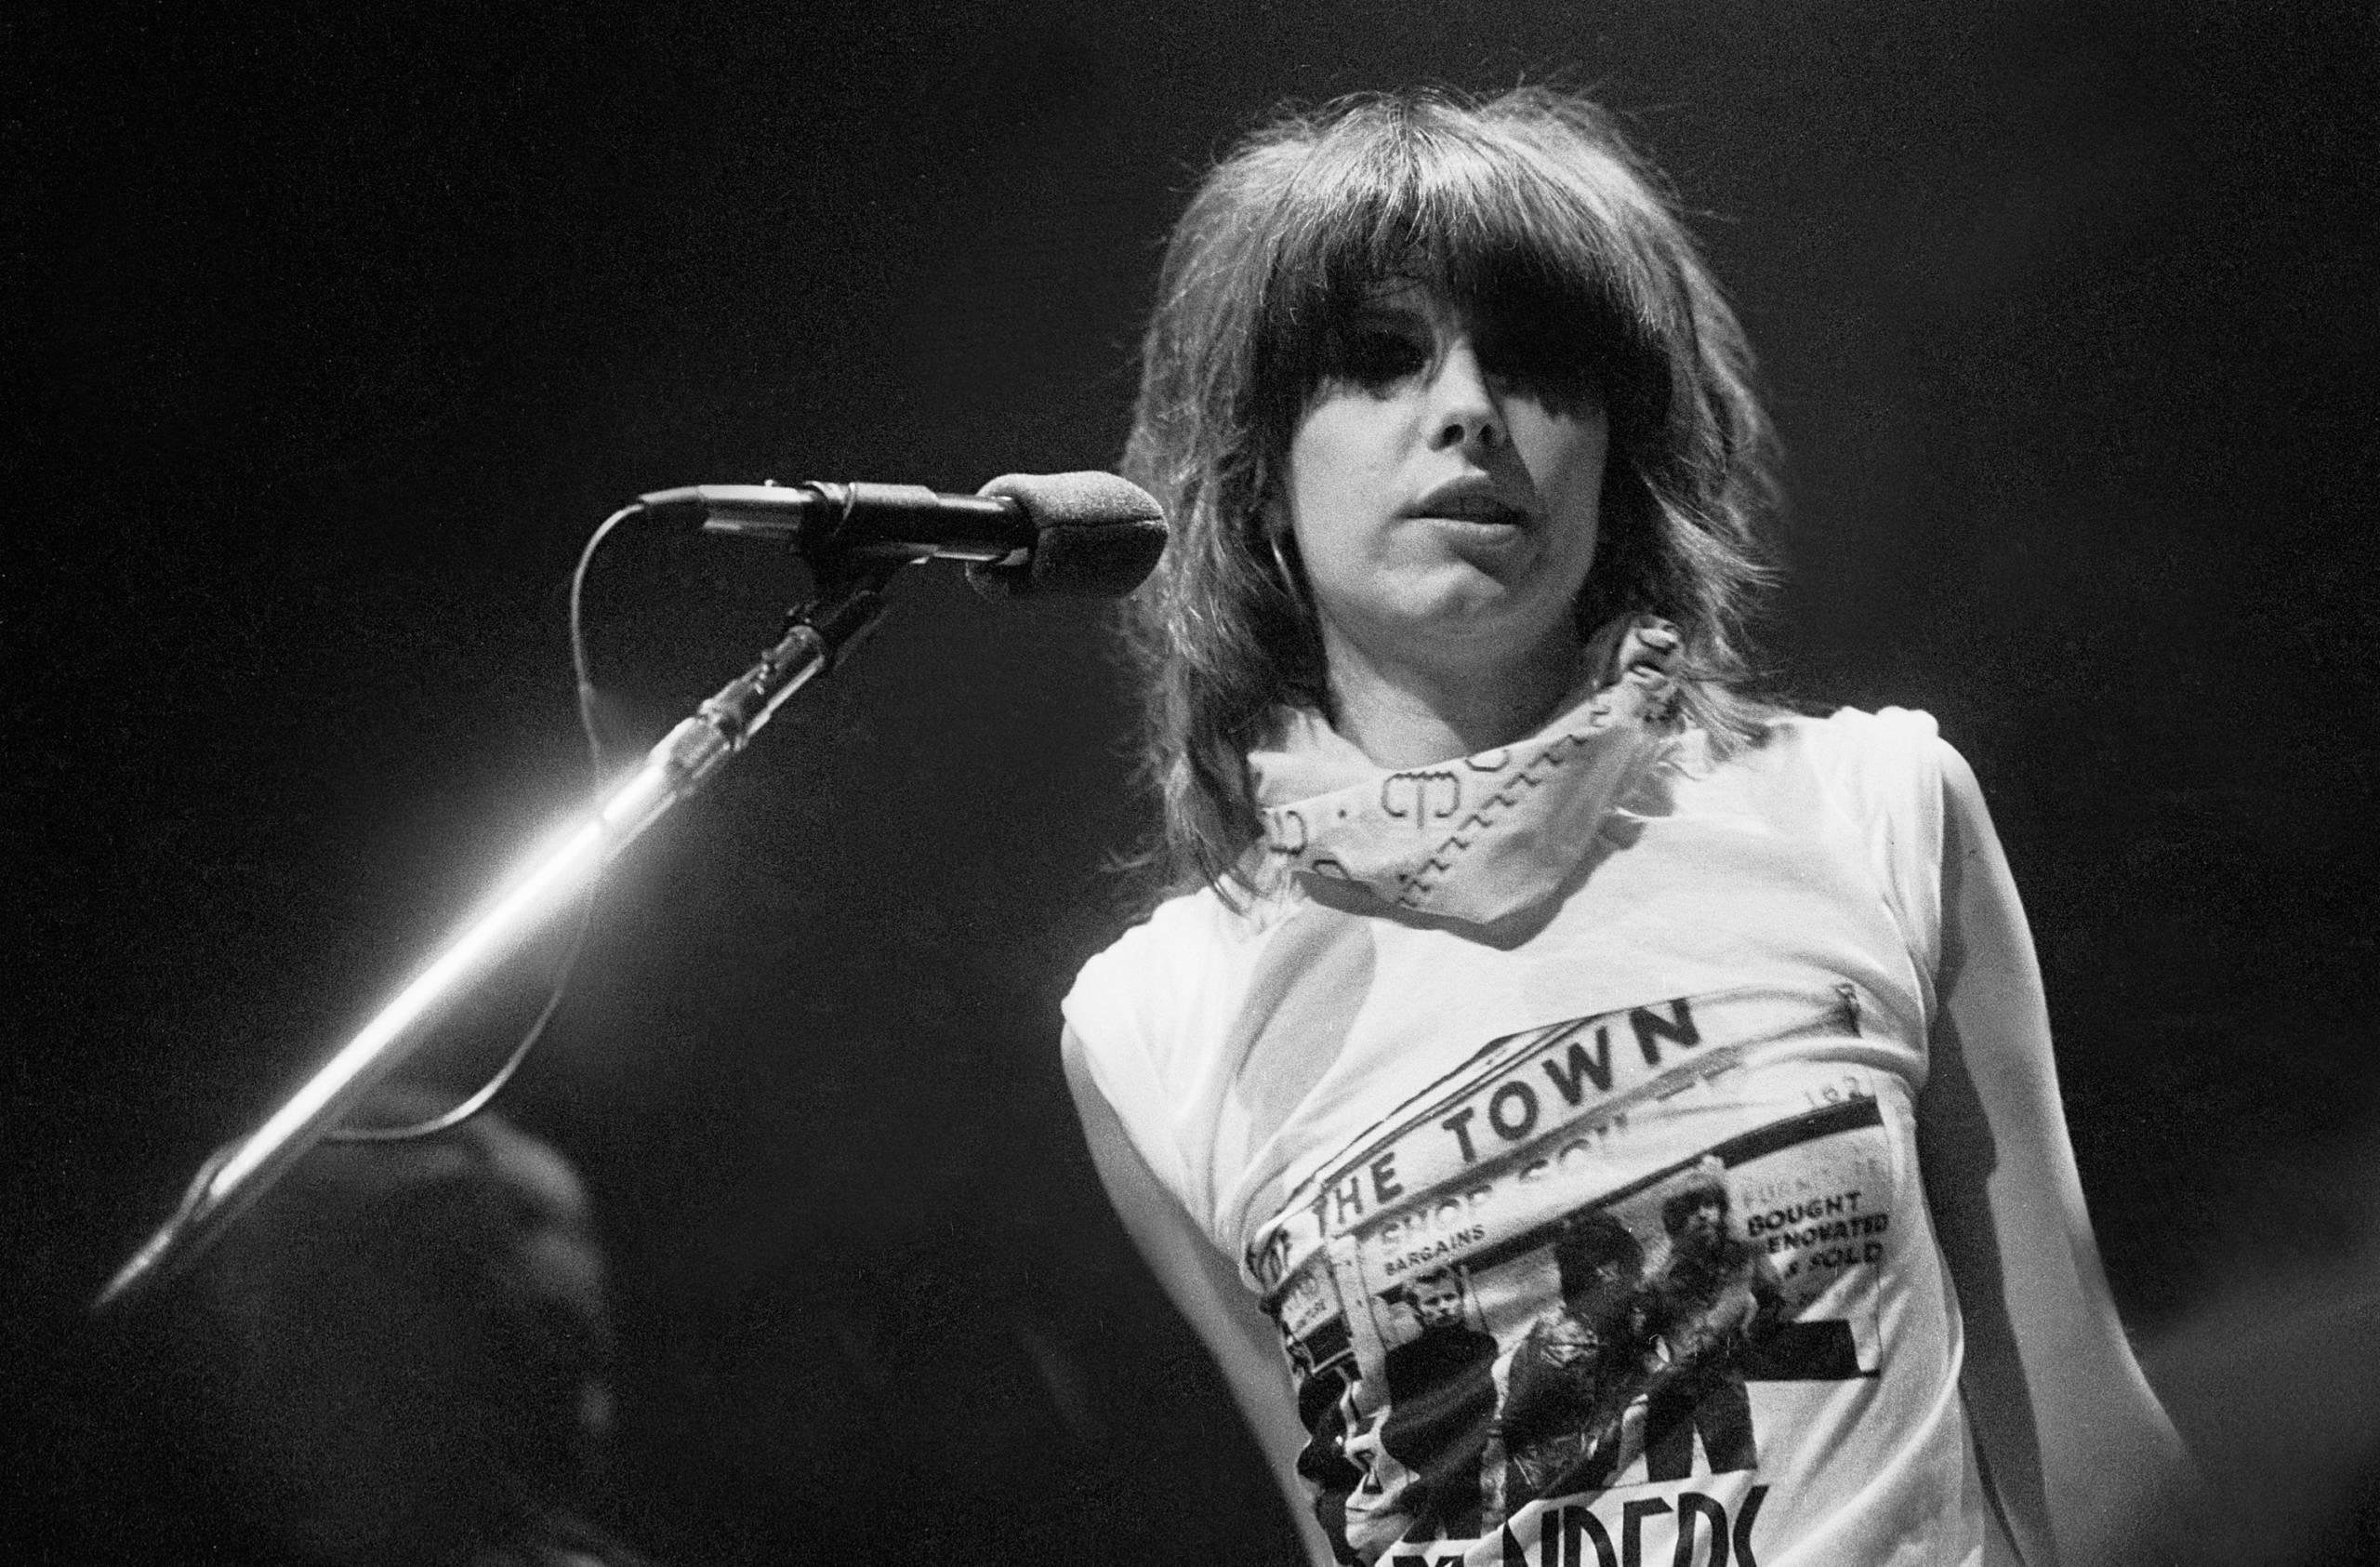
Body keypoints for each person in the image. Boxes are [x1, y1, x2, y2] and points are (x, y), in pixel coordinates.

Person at [1058, 87, 2188, 1565]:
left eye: (1535, 365)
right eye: (1382, 362)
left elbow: (2090, 1459)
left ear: (1617, 457)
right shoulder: (1155, 1023)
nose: (1466, 409)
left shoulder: (1872, 812)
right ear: (1261, 465)